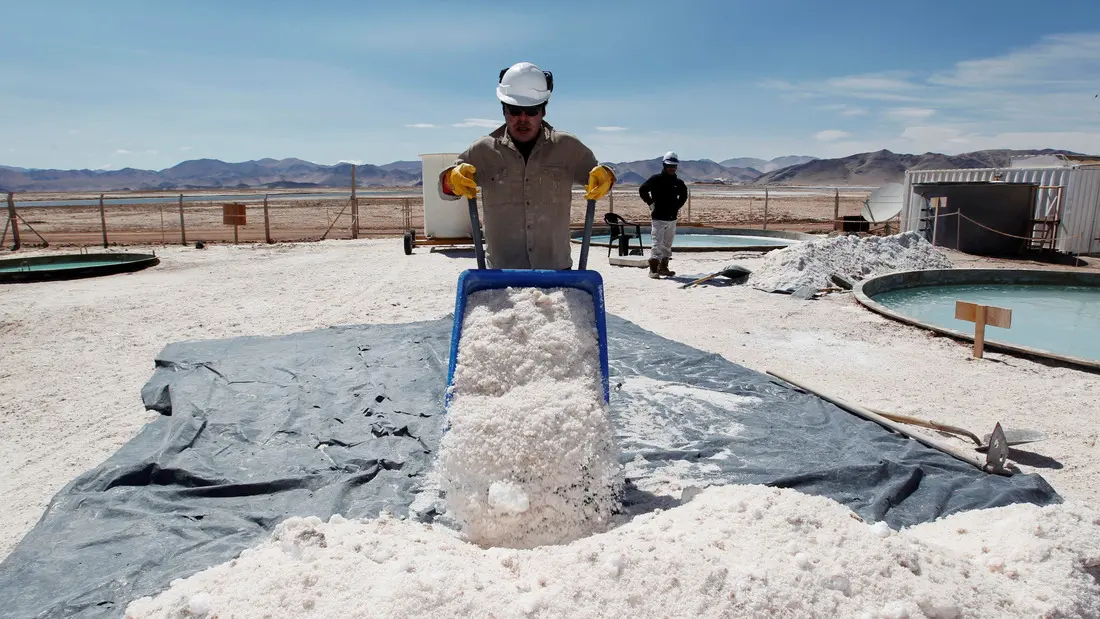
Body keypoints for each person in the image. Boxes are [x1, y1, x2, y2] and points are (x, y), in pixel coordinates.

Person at [437, 61, 616, 270]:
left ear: (543, 111)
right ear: (503, 110)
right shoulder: (483, 150)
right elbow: (445, 191)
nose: (523, 119)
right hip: (501, 273)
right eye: (515, 110)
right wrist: (451, 179)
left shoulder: (569, 148)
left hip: (556, 271)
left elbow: (600, 176)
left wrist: (607, 177)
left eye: (531, 111)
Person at [639, 151, 688, 278]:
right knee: (657, 243)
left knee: (667, 244)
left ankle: (664, 267)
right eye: (669, 166)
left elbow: (684, 195)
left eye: (674, 166)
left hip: (672, 218)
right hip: (658, 218)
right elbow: (643, 189)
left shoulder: (678, 182)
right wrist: (650, 202)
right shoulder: (656, 179)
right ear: (664, 165)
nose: (672, 168)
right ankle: (653, 270)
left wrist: (677, 206)